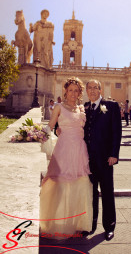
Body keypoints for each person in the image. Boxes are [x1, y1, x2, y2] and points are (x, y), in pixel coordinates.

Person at [40, 77, 93, 239]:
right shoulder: (58, 107)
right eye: (70, 90)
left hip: (79, 149)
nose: (73, 93)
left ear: (79, 93)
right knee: (59, 184)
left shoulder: (82, 109)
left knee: (79, 185)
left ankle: (75, 223)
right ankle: (55, 223)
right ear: (65, 91)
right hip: (63, 149)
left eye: (76, 90)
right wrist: (38, 135)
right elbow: (50, 126)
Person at [84, 79, 122, 241]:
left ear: (100, 90)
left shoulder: (111, 106)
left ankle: (109, 226)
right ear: (86, 91)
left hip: (106, 159)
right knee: (90, 194)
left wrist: (114, 154)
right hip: (87, 160)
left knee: (107, 193)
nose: (92, 90)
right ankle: (91, 225)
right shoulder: (84, 108)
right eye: (89, 88)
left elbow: (116, 132)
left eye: (95, 88)